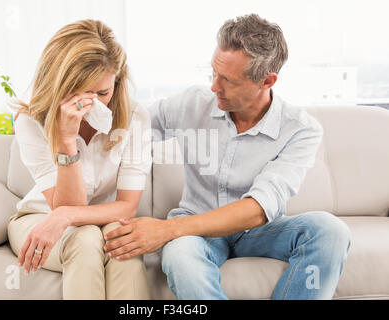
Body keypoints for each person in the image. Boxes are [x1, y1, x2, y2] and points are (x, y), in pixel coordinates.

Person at [104, 14, 351, 300]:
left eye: (228, 80)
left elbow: (259, 209)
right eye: (213, 72)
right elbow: (129, 125)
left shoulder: (300, 129)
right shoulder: (191, 104)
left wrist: (166, 229)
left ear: (267, 81)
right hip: (198, 231)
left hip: (261, 231)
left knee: (330, 230)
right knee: (181, 256)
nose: (214, 86)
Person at [7, 19, 152, 300]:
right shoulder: (31, 120)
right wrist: (65, 140)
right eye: (79, 91)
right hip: (40, 217)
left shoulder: (135, 117)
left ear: (116, 83)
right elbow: (62, 207)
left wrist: (66, 215)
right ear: (58, 83)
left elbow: (127, 206)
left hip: (100, 218)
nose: (92, 104)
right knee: (84, 240)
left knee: (122, 245)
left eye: (102, 93)